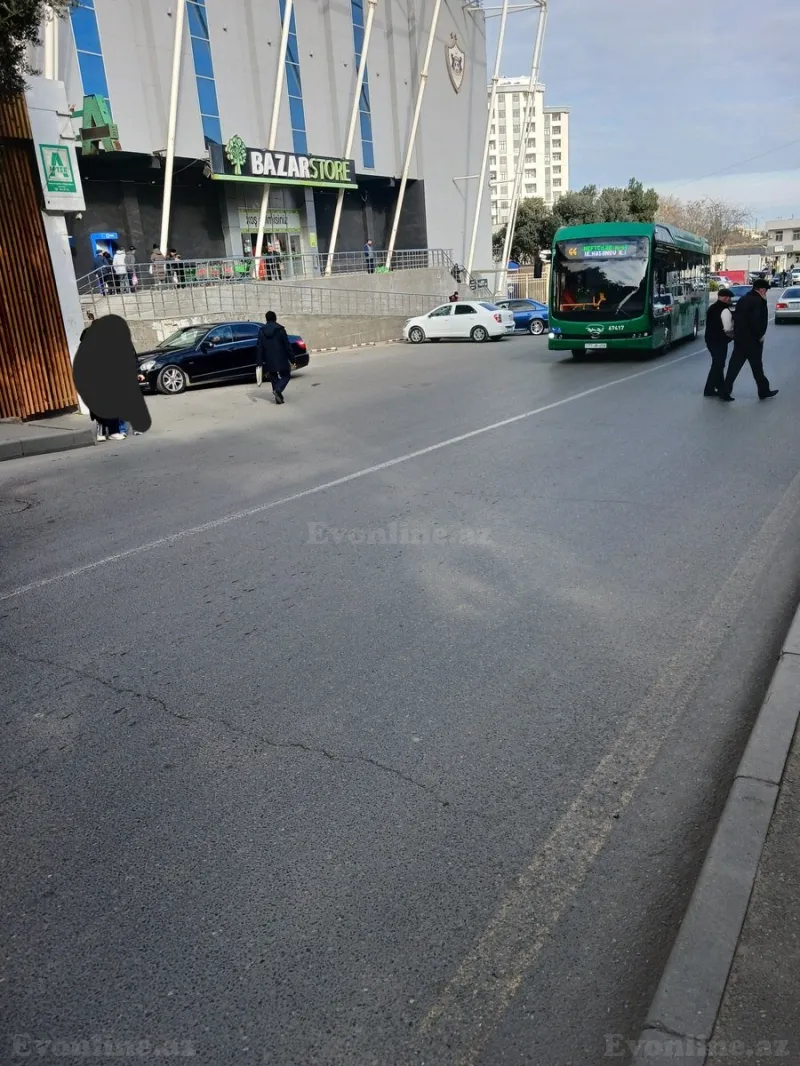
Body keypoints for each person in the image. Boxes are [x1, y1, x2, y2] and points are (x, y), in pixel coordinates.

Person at [719, 277, 778, 402]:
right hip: (752, 341)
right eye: (765, 290)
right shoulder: (758, 301)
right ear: (761, 290)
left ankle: (725, 391)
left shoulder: (743, 299)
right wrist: (759, 335)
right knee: (757, 367)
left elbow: (737, 317)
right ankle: (763, 391)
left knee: (734, 367)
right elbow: (756, 321)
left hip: (740, 339)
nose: (766, 293)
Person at [256, 310, 294, 404]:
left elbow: (259, 347)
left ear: (266, 319)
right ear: (275, 318)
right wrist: (292, 358)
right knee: (286, 375)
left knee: (273, 376)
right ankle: (278, 390)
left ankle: (278, 397)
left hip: (268, 359)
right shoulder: (280, 329)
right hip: (282, 358)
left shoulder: (261, 331)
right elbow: (287, 345)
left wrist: (259, 362)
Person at [703, 287, 734, 397]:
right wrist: (733, 337)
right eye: (729, 298)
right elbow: (728, 329)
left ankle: (720, 386)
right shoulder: (725, 310)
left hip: (710, 340)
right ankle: (709, 389)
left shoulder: (712, 308)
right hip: (719, 341)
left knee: (718, 363)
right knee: (718, 364)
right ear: (725, 298)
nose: (730, 300)